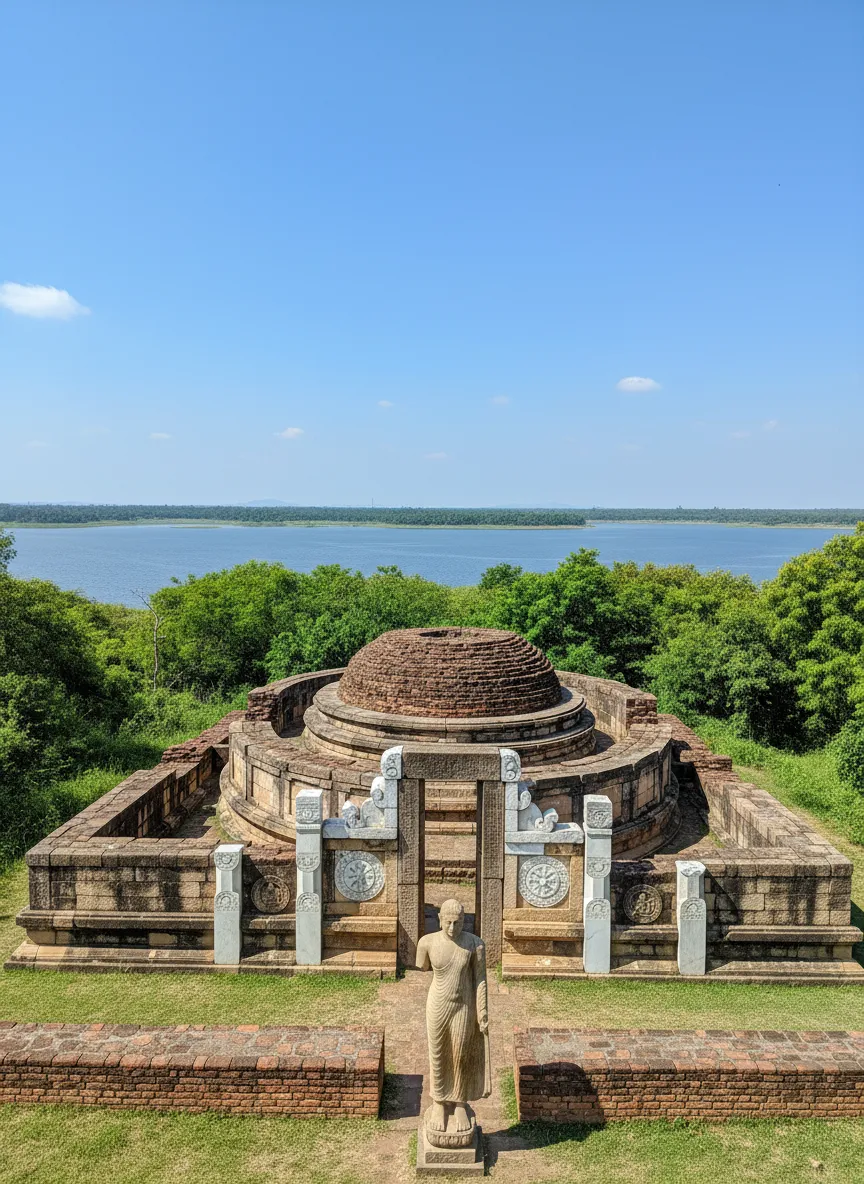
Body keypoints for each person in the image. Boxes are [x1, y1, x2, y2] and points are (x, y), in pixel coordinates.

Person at [416, 898, 491, 1143]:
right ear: (439, 920)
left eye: (457, 923)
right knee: (438, 1054)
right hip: (437, 1004)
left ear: (464, 921)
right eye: (447, 923)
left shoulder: (474, 944)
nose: (451, 929)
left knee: (460, 1055)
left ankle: (459, 1102)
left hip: (463, 1006)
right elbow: (422, 967)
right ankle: (439, 1101)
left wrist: (483, 1011)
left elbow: (480, 980)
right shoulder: (427, 943)